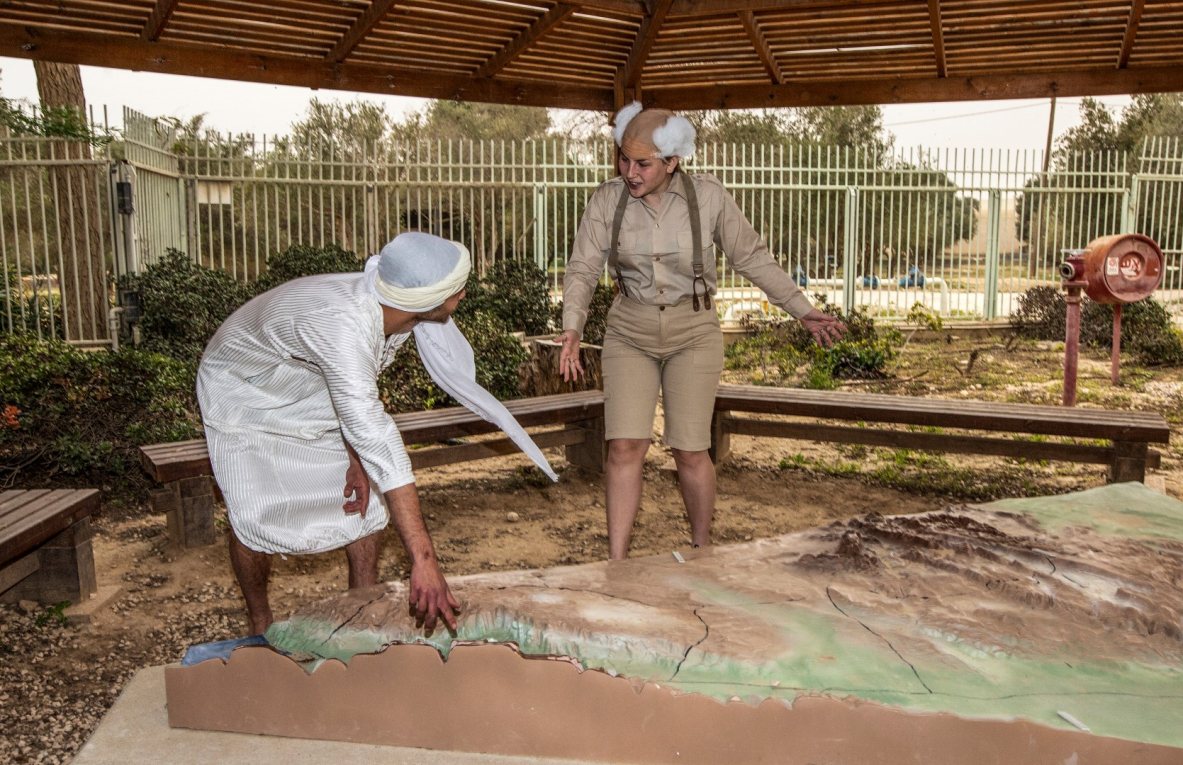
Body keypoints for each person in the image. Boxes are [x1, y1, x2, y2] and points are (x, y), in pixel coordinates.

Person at [197, 231, 556, 635]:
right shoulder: (346, 325)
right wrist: (424, 561)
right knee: (253, 515)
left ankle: (359, 614)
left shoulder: (393, 309)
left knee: (367, 509)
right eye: (458, 288)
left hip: (309, 379)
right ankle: (259, 621)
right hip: (243, 388)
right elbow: (378, 433)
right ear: (427, 302)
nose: (465, 292)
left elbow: (358, 395)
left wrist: (356, 461)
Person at [556, 102, 846, 560]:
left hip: (694, 331)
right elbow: (582, 269)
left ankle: (702, 553)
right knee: (624, 445)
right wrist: (572, 327)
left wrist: (802, 310)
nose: (629, 171)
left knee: (690, 448)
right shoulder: (606, 200)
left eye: (643, 163)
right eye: (623, 158)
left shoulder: (707, 196)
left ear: (672, 162)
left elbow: (751, 256)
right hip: (629, 329)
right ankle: (616, 563)